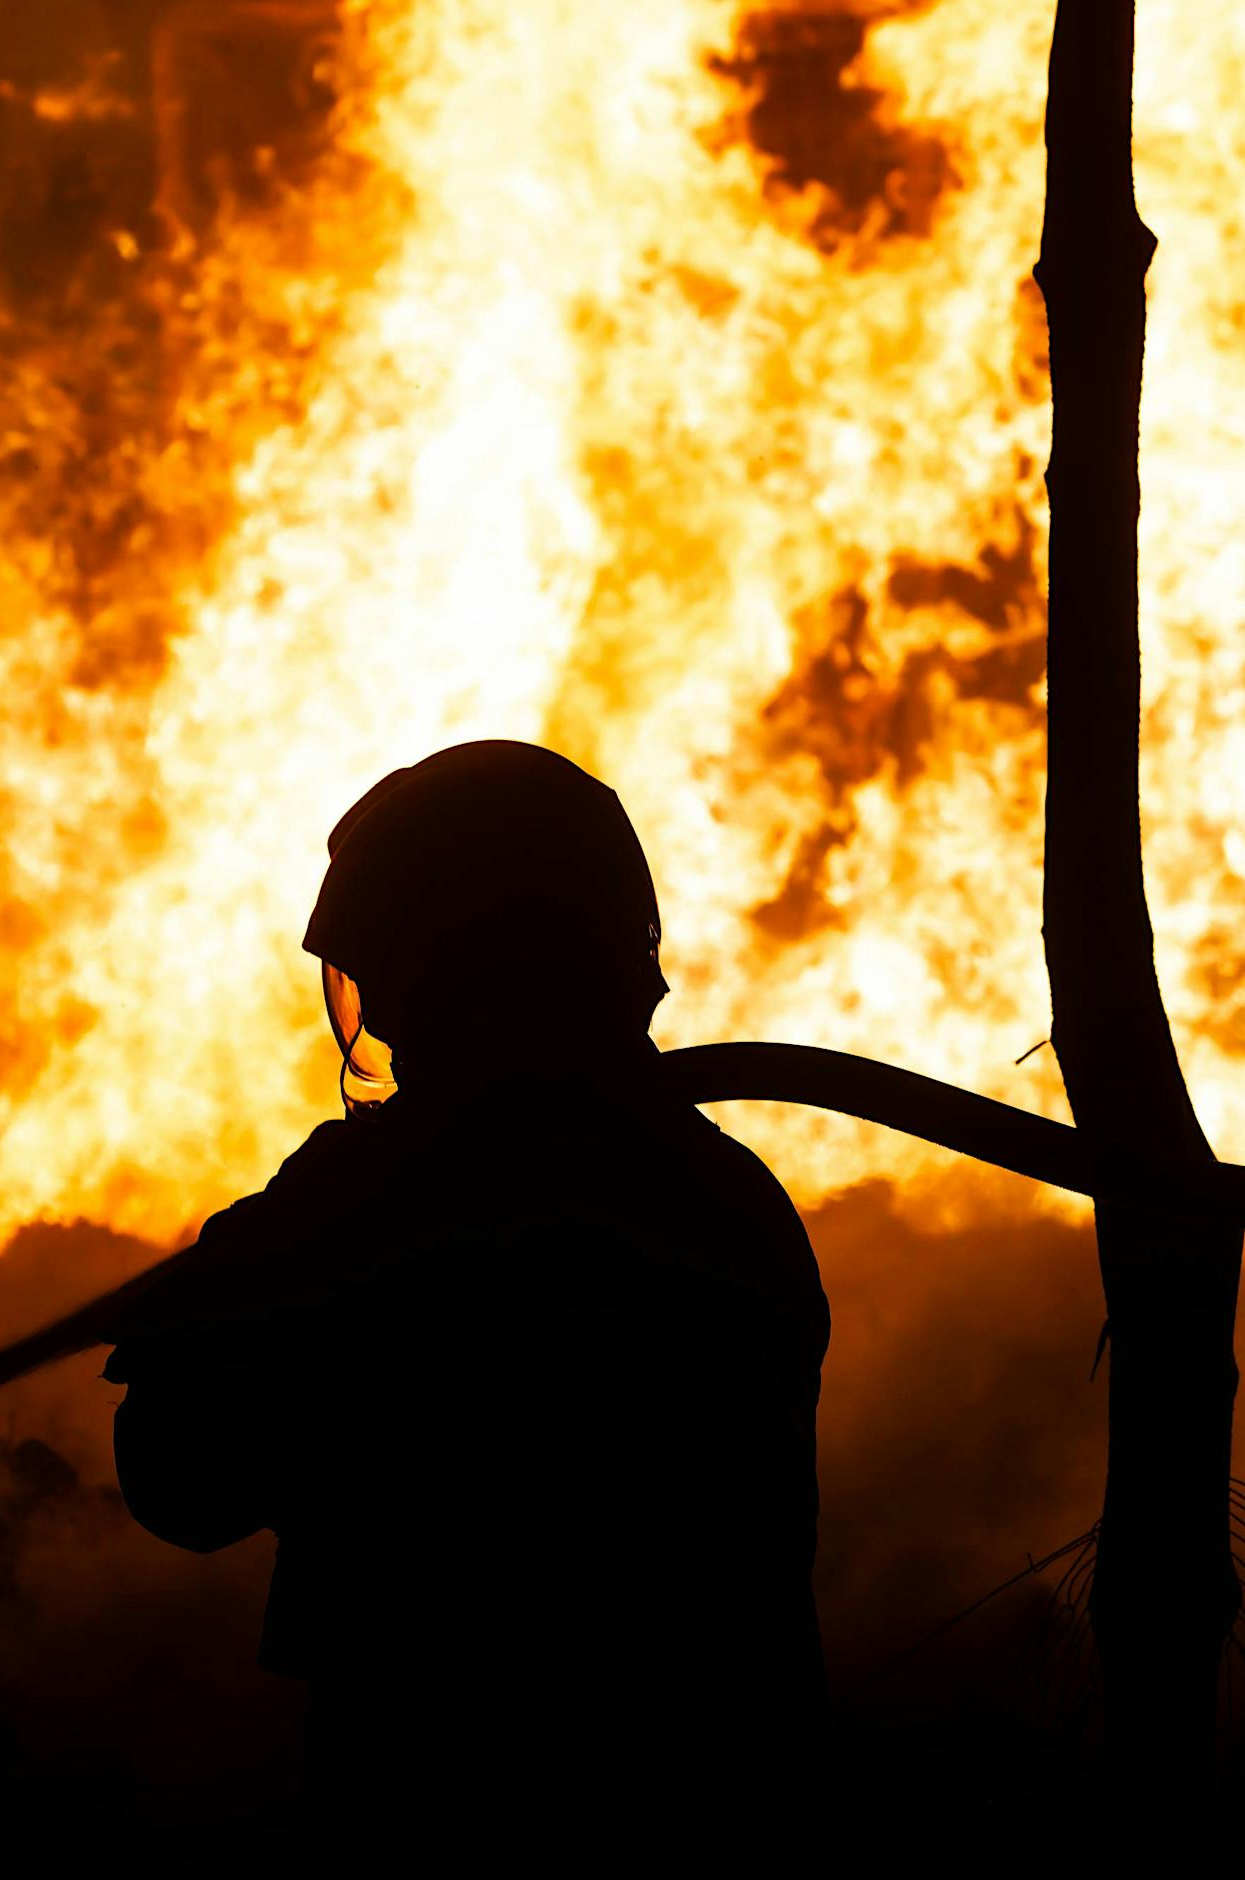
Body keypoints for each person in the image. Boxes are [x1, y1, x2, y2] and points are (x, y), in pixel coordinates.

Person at [102, 740, 829, 1846]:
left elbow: (181, 1477)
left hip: (434, 1793)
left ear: (439, 971)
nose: (379, 1019)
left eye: (385, 981)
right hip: (722, 1798)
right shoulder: (728, 1200)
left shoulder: (373, 1209)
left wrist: (229, 1283)